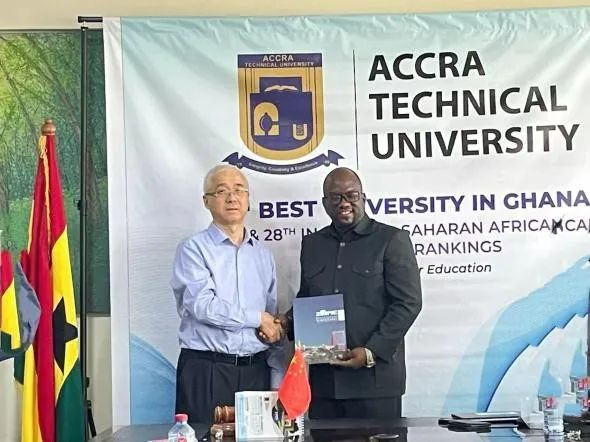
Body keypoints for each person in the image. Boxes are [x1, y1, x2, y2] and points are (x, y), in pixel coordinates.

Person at [282, 167, 422, 419]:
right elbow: (309, 299)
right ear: (325, 203)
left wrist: (371, 351)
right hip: (325, 383)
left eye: (351, 195)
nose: (344, 203)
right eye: (335, 197)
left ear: (363, 197)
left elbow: (408, 303)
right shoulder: (313, 245)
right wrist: (285, 322)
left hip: (375, 381)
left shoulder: (391, 239)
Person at [171, 164, 284, 424]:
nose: (232, 198)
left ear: (248, 199)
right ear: (206, 201)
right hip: (207, 370)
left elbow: (272, 325)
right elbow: (203, 306)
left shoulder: (263, 255)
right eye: (221, 191)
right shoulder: (193, 249)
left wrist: (277, 380)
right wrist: (257, 318)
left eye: (239, 190)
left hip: (256, 372)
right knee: (205, 437)